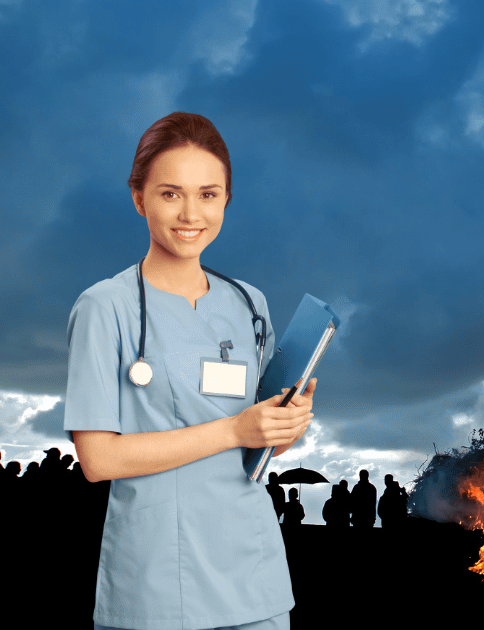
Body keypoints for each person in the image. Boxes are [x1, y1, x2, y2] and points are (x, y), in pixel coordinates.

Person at [65, 112, 316, 630]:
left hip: (255, 573)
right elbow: (97, 458)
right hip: (158, 580)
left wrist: (282, 427)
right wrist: (234, 429)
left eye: (208, 194)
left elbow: (258, 444)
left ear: (226, 199)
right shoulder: (105, 307)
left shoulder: (250, 302)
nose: (190, 213)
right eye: (170, 193)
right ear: (139, 198)